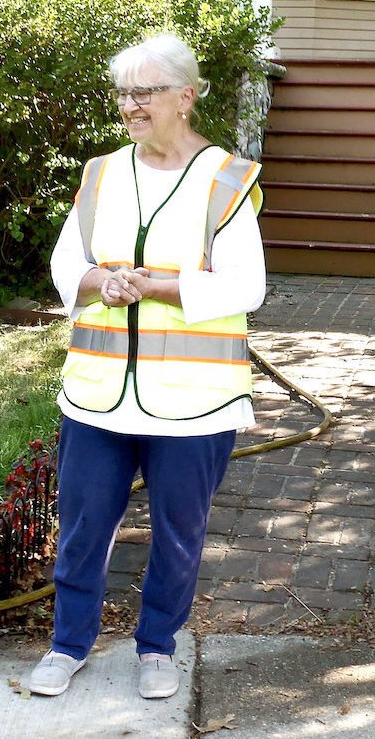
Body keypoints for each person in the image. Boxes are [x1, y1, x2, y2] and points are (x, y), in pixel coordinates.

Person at [26, 34, 266, 701]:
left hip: (196, 401)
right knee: (81, 527)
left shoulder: (226, 179)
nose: (130, 106)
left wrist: (158, 286)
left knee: (178, 535)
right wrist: (98, 280)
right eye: (124, 93)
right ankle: (68, 643)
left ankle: (157, 645)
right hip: (100, 395)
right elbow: (63, 263)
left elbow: (248, 286)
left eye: (145, 93)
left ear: (184, 98)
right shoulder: (102, 173)